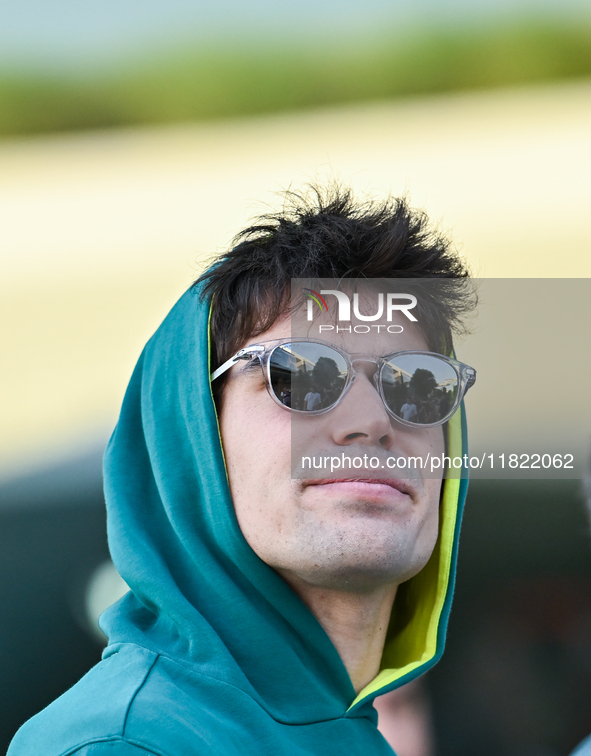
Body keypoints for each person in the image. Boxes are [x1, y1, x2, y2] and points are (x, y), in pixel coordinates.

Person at [8, 186, 476, 756]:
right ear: (192, 434)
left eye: (418, 383)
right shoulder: (125, 745)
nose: (372, 423)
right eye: (302, 375)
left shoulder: (350, 735)